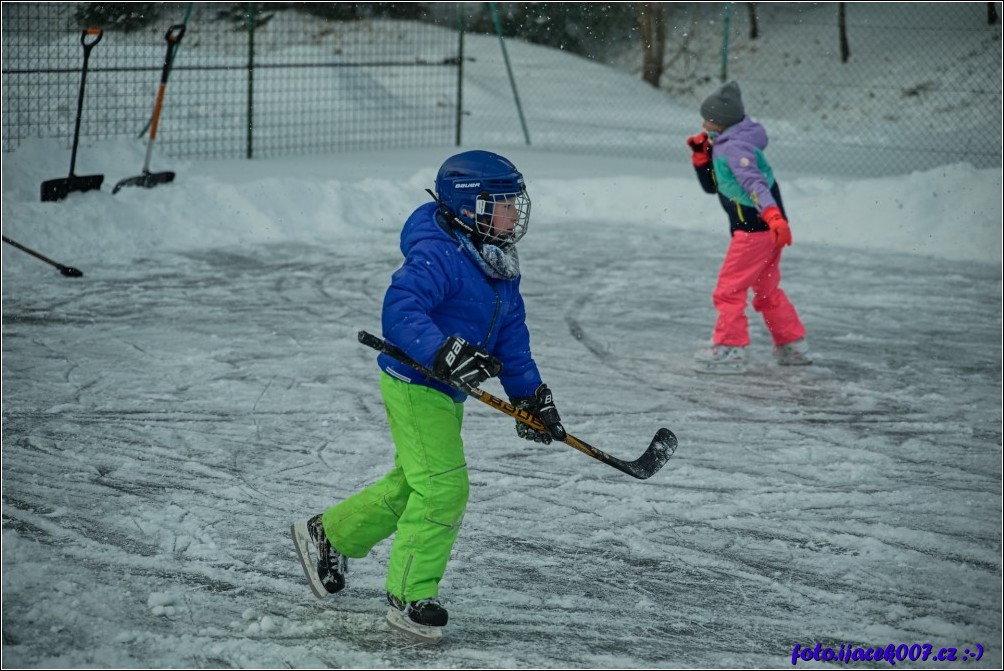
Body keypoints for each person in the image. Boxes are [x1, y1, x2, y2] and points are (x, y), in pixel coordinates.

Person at [290, 150, 566, 644]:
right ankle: (410, 595)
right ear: (469, 207)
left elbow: (511, 334)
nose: (513, 214)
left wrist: (530, 396)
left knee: (412, 483)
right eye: (502, 204)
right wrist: (441, 351)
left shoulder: (495, 256)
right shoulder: (439, 252)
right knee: (442, 489)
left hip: (445, 390)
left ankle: (331, 533)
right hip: (416, 383)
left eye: (514, 203)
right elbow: (401, 308)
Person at [686, 80, 812, 373]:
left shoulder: (735, 148)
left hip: (754, 231)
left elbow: (754, 185)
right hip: (768, 232)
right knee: (766, 290)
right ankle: (792, 345)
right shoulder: (728, 142)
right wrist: (701, 159)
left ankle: (730, 348)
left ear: (721, 121)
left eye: (707, 118)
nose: (703, 123)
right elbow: (714, 187)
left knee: (729, 290)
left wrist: (772, 216)